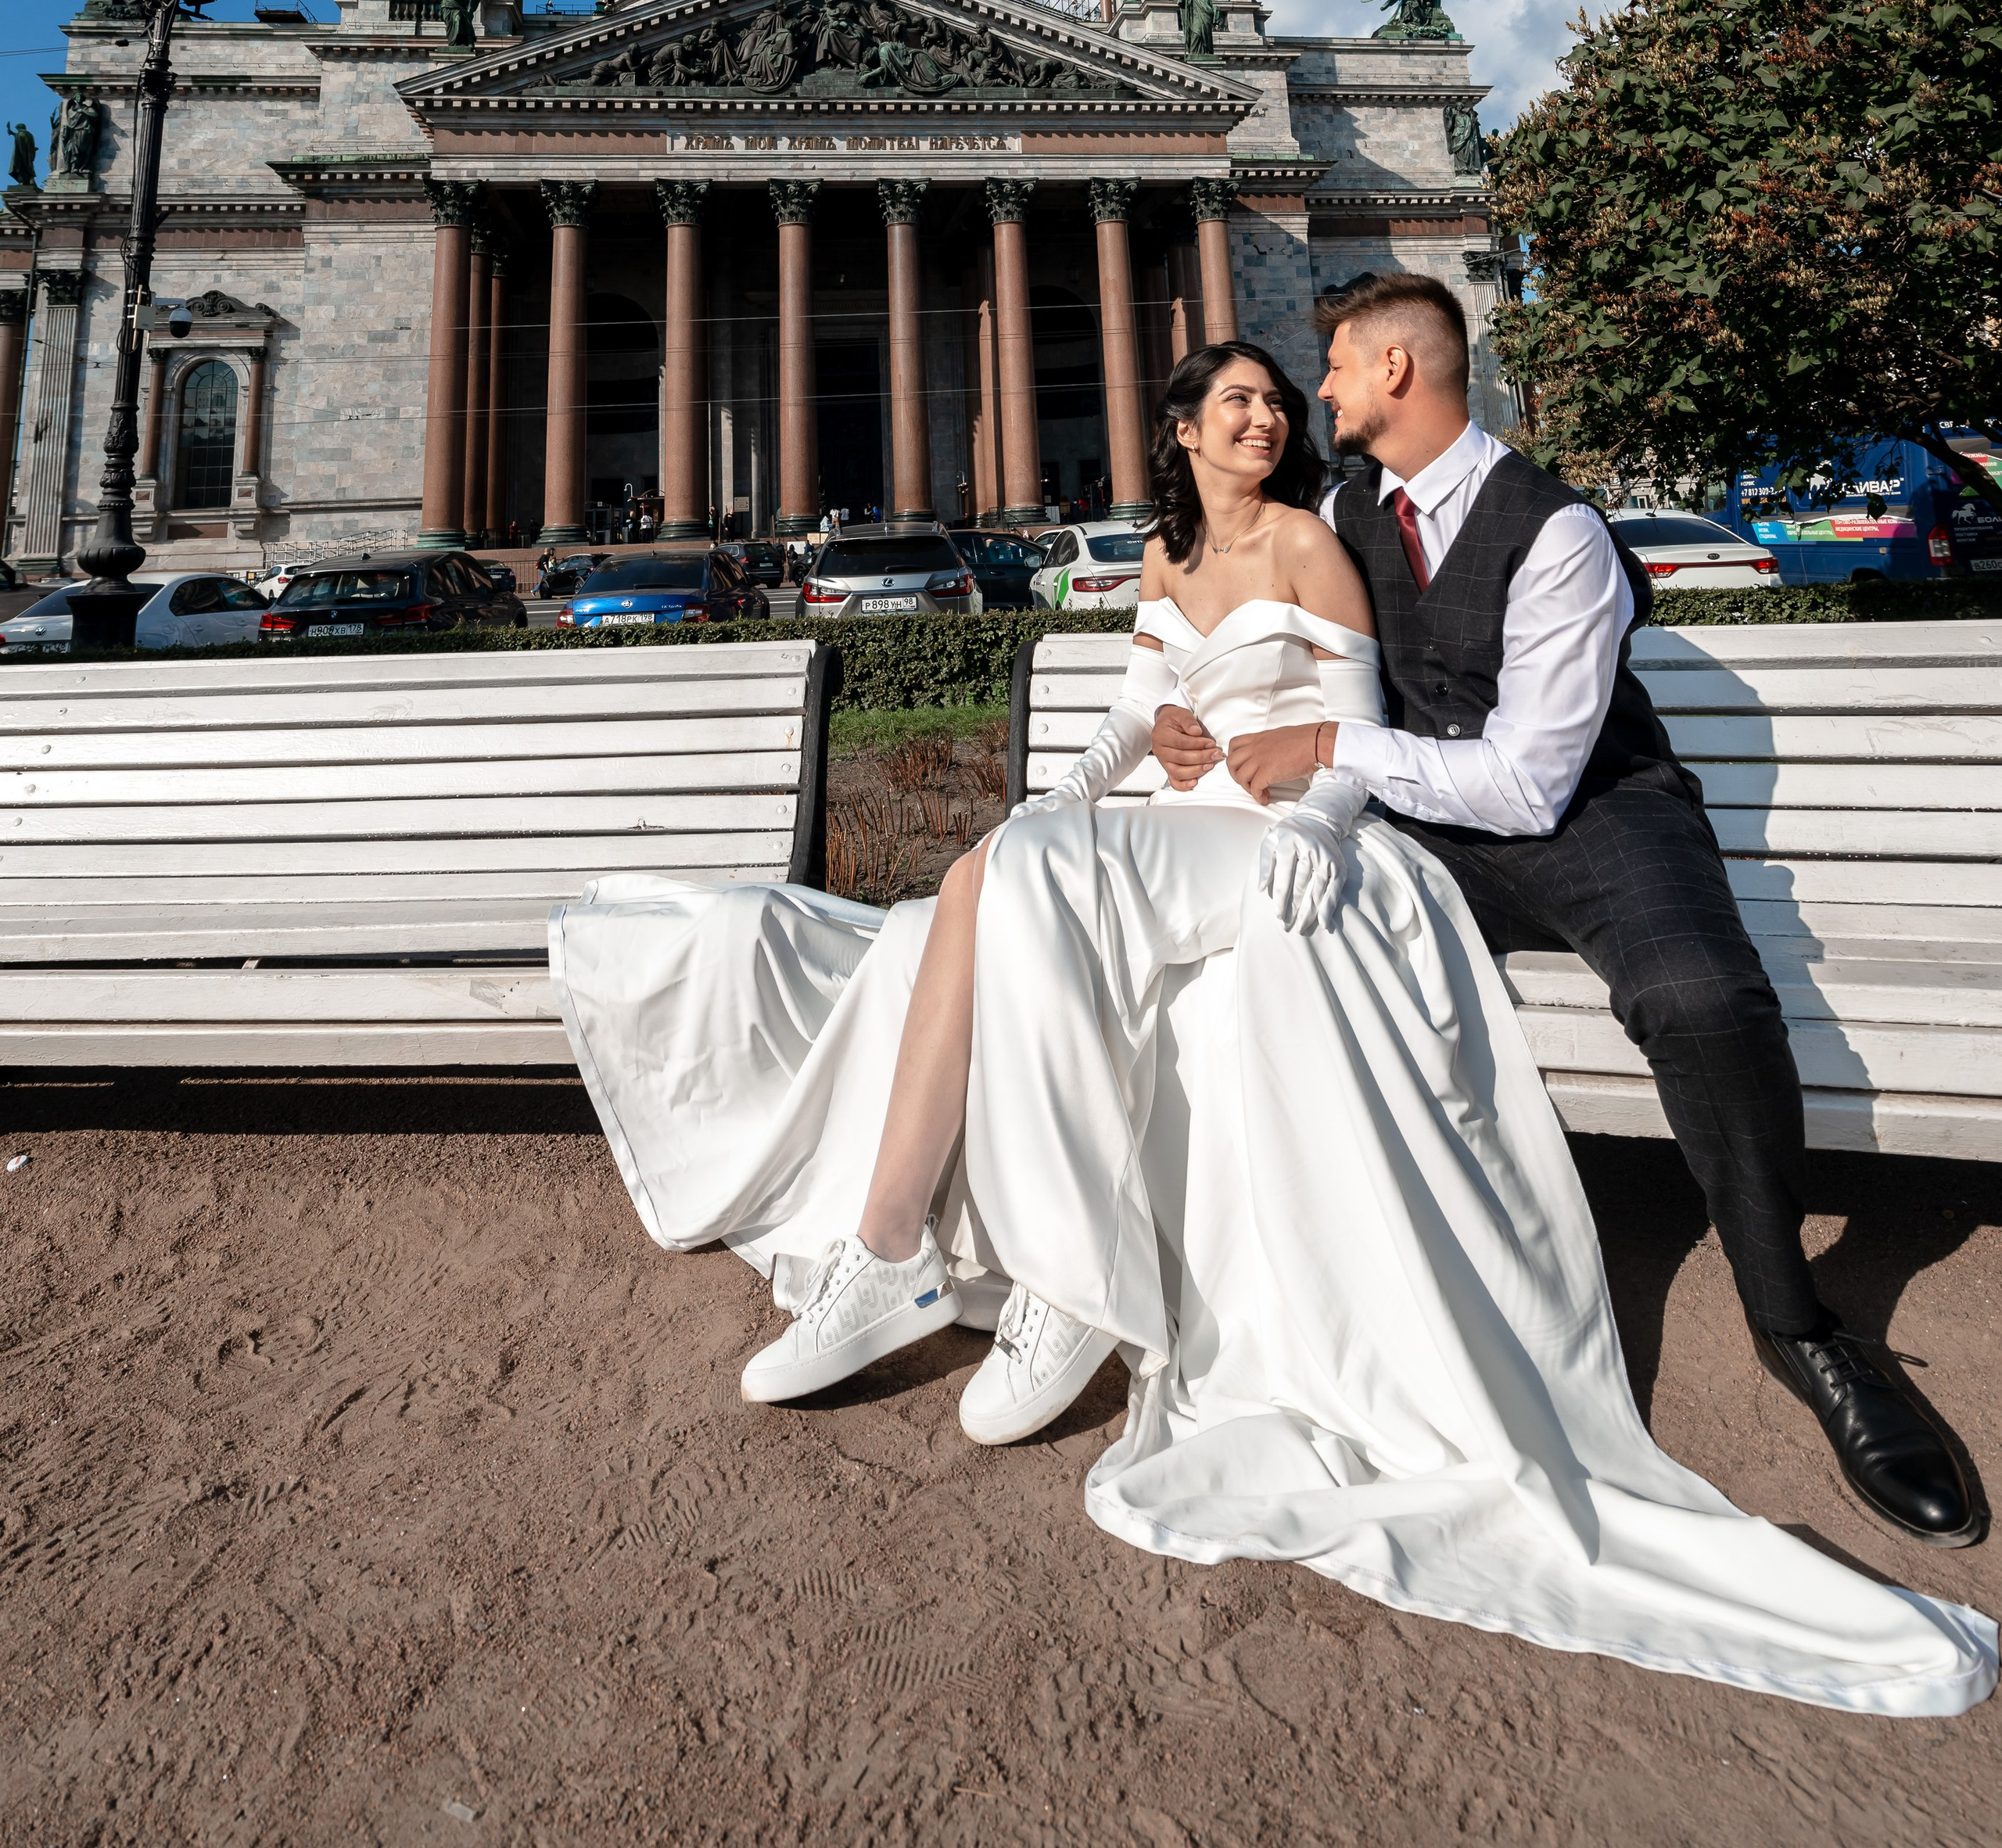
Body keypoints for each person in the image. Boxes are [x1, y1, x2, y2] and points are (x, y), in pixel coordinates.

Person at [553, 339, 1993, 1714]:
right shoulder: (1166, 556)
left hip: (1296, 836)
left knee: (1013, 882)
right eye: (1237, 404)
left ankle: (1069, 1279)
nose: (1269, 421)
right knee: (968, 894)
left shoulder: (1317, 539)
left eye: (1279, 402)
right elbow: (1134, 712)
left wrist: (1311, 809)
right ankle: (892, 1259)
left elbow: (1355, 724)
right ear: (1178, 432)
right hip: (1177, 827)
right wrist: (1082, 781)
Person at [1153, 271, 1981, 1554]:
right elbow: (1253, 629)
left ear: (1393, 373)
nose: (1313, 391)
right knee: (1285, 947)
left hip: (1594, 815)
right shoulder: (1338, 506)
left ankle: (1800, 1325)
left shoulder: (1557, 534)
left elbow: (1534, 780)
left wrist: (1334, 747)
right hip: (1427, 820)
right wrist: (1191, 713)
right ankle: (1342, 1304)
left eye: (1329, 367)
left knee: (1702, 998)